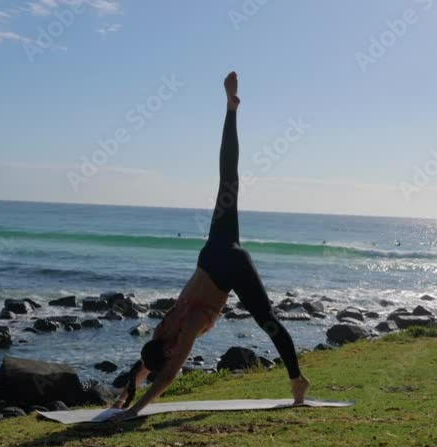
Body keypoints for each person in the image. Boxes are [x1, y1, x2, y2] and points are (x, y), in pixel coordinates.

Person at [109, 72, 310, 422]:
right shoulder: (164, 332)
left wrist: (135, 408)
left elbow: (164, 374)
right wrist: (125, 396)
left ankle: (297, 380)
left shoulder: (179, 333)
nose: (175, 353)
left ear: (166, 349)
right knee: (228, 178)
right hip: (215, 251)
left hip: (229, 263)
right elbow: (148, 366)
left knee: (269, 320)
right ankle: (230, 109)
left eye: (170, 352)